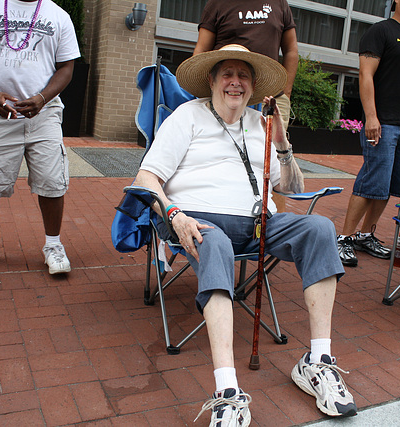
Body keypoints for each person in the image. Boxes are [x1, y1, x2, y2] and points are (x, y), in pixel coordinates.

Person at [134, 44, 357, 426]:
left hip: (258, 225)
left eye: (244, 76)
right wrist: (174, 215)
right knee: (216, 241)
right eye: (228, 74)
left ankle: (317, 362)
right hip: (198, 224)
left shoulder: (261, 124)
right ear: (212, 80)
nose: (235, 82)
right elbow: (145, 179)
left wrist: (282, 143)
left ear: (253, 86)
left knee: (321, 228)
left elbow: (290, 186)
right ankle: (228, 392)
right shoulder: (187, 117)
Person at [0, 0, 80, 274]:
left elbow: (67, 67)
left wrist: (42, 98)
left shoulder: (59, 16)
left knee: (52, 180)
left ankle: (53, 245)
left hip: (45, 114)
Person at [337, 0, 400, 267]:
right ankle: (344, 238)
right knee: (372, 181)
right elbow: (365, 75)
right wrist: (371, 117)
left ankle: (366, 235)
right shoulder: (380, 32)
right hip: (383, 124)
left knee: (390, 187)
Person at [194, 0, 298, 131]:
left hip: (270, 99)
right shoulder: (217, 3)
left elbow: (291, 50)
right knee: (223, 147)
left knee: (272, 149)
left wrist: (285, 93)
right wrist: (206, 92)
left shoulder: (279, 2)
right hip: (229, 94)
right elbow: (202, 51)